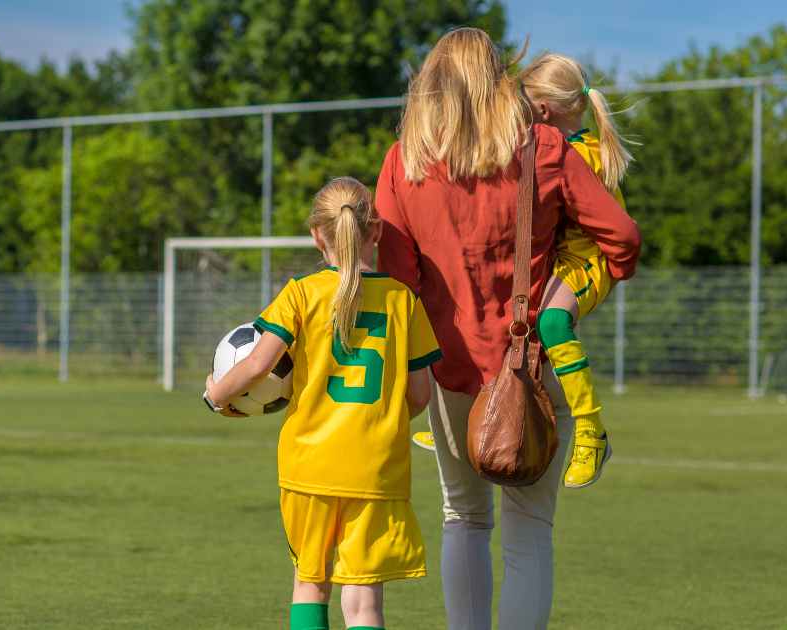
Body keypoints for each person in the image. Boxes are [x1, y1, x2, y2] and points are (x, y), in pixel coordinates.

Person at [374, 29, 641, 629]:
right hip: (534, 371)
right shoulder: (541, 146)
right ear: (498, 80)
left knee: (462, 518)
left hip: (448, 373)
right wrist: (572, 298)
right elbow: (622, 239)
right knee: (529, 534)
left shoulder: (403, 162)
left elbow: (397, 281)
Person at [203, 176, 443, 630]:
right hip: (377, 468)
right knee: (365, 604)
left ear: (317, 234)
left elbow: (257, 366)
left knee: (310, 584)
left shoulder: (301, 292)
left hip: (310, 467)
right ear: (375, 232)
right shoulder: (403, 300)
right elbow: (420, 395)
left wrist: (215, 394)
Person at [412, 52, 634, 489]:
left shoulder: (570, 154)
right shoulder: (554, 147)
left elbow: (618, 232)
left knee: (550, 322)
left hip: (584, 261)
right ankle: (482, 418)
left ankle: (592, 431)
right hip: (563, 260)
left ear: (543, 112)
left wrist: (614, 270)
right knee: (505, 315)